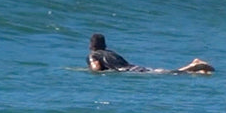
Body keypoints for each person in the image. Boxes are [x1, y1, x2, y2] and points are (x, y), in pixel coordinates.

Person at [86, 33, 214, 74]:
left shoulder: (93, 55)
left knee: (169, 74)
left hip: (129, 71)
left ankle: (195, 66)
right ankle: (196, 70)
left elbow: (96, 68)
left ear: (91, 46)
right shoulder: (111, 52)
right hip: (134, 67)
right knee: (164, 72)